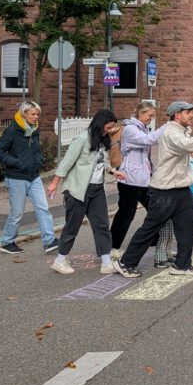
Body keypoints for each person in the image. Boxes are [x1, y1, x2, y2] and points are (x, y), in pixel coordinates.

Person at [113, 101, 193, 278]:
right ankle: (126, 262)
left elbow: (188, 142)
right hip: (164, 190)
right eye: (188, 113)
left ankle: (181, 265)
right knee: (151, 227)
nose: (192, 115)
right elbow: (189, 145)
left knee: (190, 224)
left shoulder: (180, 130)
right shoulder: (171, 133)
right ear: (177, 115)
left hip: (180, 187)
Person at [45, 110, 123, 275]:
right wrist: (54, 183)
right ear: (100, 124)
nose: (109, 131)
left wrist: (112, 171)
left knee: (102, 225)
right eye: (108, 127)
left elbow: (100, 162)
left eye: (111, 128)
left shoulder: (103, 140)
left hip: (97, 189)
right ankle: (59, 260)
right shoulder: (81, 139)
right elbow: (66, 163)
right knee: (72, 226)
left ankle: (106, 262)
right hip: (78, 189)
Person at [110, 101, 171, 264]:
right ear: (140, 113)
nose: (151, 119)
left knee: (157, 210)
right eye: (149, 116)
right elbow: (148, 141)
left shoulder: (142, 127)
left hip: (143, 180)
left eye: (153, 116)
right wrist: (167, 126)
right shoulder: (130, 129)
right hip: (129, 180)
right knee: (126, 215)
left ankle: (152, 239)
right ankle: (112, 247)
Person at [0, 100, 57, 255]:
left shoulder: (35, 129)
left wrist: (38, 160)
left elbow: (35, 150)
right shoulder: (12, 130)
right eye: (33, 114)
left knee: (43, 208)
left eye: (38, 114)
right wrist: (16, 162)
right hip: (16, 178)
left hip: (34, 177)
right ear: (24, 113)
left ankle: (49, 241)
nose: (36, 117)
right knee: (17, 212)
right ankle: (7, 242)